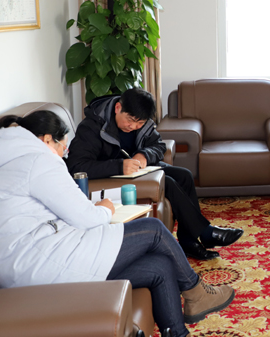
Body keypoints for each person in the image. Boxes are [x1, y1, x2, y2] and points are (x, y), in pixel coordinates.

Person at [0, 111, 234, 337]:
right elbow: (86, 218)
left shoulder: (9, 162)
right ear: (46, 139)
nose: (64, 153)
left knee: (159, 267)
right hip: (40, 263)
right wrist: (105, 209)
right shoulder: (38, 161)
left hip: (25, 265)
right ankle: (195, 291)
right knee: (154, 230)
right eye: (62, 145)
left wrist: (89, 210)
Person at [66, 88, 242, 260]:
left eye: (140, 123)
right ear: (118, 108)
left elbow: (158, 145)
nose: (134, 127)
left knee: (185, 176)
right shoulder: (92, 127)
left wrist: (144, 155)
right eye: (130, 121)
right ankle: (205, 232)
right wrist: (119, 166)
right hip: (110, 179)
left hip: (137, 172)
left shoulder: (141, 121)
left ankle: (189, 242)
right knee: (168, 182)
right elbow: (76, 166)